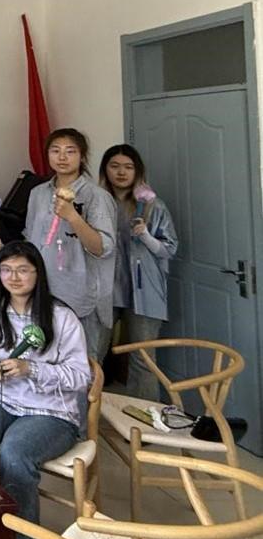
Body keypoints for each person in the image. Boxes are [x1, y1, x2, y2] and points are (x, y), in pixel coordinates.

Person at [0, 241, 92, 539]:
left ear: (38, 274)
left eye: (23, 270)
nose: (14, 277)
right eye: (6, 270)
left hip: (51, 411)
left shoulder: (61, 317)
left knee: (14, 454)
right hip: (0, 399)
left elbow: (82, 376)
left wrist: (32, 369)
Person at [24, 128, 117, 362]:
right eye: (55, 151)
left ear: (82, 156)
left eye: (70, 151)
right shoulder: (37, 194)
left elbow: (103, 248)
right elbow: (31, 239)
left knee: (84, 368)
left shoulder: (96, 196)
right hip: (44, 293)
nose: (62, 157)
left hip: (82, 297)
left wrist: (73, 217)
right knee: (46, 363)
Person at [100, 144, 178, 400]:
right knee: (91, 355)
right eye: (114, 166)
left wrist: (145, 235)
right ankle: (84, 416)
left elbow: (169, 250)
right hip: (105, 290)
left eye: (128, 167)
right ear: (105, 170)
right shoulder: (97, 203)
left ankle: (144, 418)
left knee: (143, 360)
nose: (121, 172)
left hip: (145, 292)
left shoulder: (153, 205)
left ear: (138, 171)